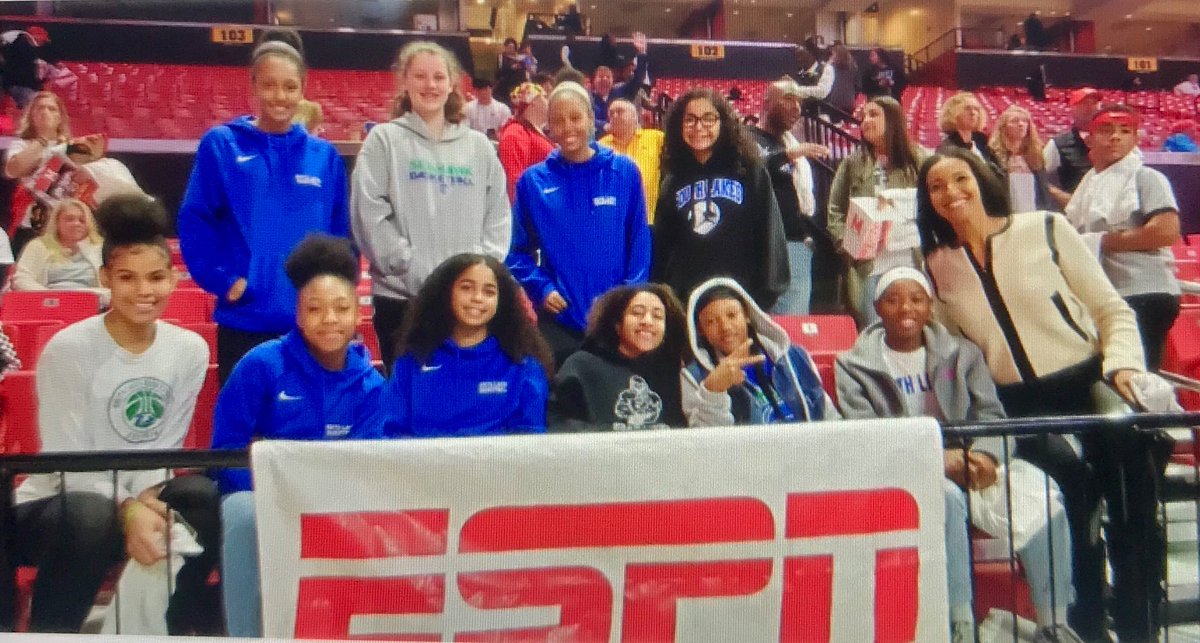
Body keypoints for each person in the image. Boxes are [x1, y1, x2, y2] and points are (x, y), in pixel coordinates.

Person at [916, 147, 1155, 642]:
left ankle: (1139, 628)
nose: (951, 193)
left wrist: (1124, 366)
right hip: (1017, 410)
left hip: (1088, 386)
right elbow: (954, 355)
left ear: (982, 178)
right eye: (936, 187)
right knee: (1069, 519)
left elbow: (1112, 311)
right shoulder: (938, 264)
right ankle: (1085, 627)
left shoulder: (1046, 228)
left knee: (1131, 516)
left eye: (960, 178)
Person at [2, 194, 218, 634]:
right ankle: (50, 631)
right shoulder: (68, 349)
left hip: (141, 491)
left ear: (174, 279)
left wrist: (144, 503)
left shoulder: (189, 349)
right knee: (91, 515)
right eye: (127, 278)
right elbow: (66, 462)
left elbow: (164, 447)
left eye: (156, 277)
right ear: (105, 279)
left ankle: (171, 627)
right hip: (57, 504)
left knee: (201, 498)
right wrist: (128, 511)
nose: (144, 292)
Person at [835, 267, 1080, 643]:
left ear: (930, 306)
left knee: (1042, 494)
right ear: (877, 308)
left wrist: (985, 457)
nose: (906, 308)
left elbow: (992, 417)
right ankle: (960, 622)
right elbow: (867, 433)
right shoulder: (853, 364)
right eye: (893, 299)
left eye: (916, 299)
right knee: (945, 498)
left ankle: (1054, 622)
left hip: (970, 464)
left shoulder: (962, 354)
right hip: (904, 471)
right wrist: (938, 459)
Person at [209, 234, 386, 637]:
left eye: (341, 308)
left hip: (336, 499)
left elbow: (366, 464)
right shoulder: (261, 364)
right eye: (315, 308)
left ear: (357, 315)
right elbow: (225, 451)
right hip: (264, 497)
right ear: (298, 314)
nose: (329, 319)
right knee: (241, 513)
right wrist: (275, 495)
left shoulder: (374, 386)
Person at [178, 40, 349, 384]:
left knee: (308, 433)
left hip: (311, 325)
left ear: (303, 88)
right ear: (253, 85)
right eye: (269, 85)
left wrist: (332, 299)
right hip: (246, 319)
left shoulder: (324, 156)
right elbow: (196, 221)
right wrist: (226, 281)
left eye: (289, 87)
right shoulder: (222, 145)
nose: (280, 96)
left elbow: (340, 235)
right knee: (245, 434)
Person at [352, 41, 510, 370]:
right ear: (405, 81)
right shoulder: (383, 141)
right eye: (420, 76)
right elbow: (370, 213)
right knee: (410, 409)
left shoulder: (479, 146)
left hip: (468, 304)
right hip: (402, 301)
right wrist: (407, 265)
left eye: (439, 77)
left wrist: (476, 275)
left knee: (462, 405)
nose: (430, 85)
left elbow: (497, 215)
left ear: (452, 83)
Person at [507, 81, 651, 367]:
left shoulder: (624, 172)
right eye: (558, 120)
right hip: (561, 322)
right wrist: (541, 288)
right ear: (549, 126)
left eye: (575, 117)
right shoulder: (533, 183)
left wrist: (628, 300)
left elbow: (639, 241)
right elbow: (515, 252)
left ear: (590, 119)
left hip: (617, 322)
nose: (568, 127)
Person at [1066, 104, 1182, 372]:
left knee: (1135, 381)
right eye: (1106, 130)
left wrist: (1098, 241)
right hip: (1110, 295)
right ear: (1090, 138)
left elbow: (1165, 231)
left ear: (1136, 139)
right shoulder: (1090, 183)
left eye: (1125, 130)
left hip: (1145, 292)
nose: (1116, 136)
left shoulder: (1148, 177)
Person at [384, 254, 552, 437]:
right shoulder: (410, 363)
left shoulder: (523, 367)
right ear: (446, 292)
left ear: (501, 300)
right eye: (466, 288)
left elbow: (530, 443)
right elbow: (392, 434)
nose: (477, 298)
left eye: (489, 292)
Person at [653, 87, 789, 311]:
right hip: (687, 301)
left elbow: (769, 231)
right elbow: (663, 245)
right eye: (690, 120)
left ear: (722, 123)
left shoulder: (749, 170)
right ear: (679, 125)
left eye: (709, 119)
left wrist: (764, 296)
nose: (699, 127)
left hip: (739, 299)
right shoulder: (673, 179)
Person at [827, 96, 928, 325]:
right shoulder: (853, 163)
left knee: (910, 328)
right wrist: (847, 243)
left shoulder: (919, 159)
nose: (865, 122)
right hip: (867, 267)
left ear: (893, 119)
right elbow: (835, 210)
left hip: (910, 260)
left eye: (873, 115)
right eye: (862, 117)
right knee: (871, 329)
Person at [682, 277, 837, 426]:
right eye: (711, 322)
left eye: (732, 315)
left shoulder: (793, 356)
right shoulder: (693, 375)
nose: (725, 327)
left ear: (747, 315)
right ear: (701, 331)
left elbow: (827, 414)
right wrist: (714, 391)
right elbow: (706, 444)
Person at [549, 283, 688, 432]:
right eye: (637, 313)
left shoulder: (668, 371)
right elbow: (558, 425)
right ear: (617, 324)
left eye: (658, 316)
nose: (648, 322)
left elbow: (678, 432)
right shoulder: (581, 365)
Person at [748, 77, 830, 315]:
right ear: (766, 102)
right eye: (789, 100)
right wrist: (788, 154)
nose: (796, 108)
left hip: (795, 244)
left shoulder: (787, 143)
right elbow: (752, 168)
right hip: (763, 244)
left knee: (795, 325)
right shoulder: (747, 137)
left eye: (799, 103)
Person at [11, 198, 108, 304]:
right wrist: (52, 298)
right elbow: (21, 279)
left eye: (82, 220)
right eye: (69, 219)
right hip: (49, 303)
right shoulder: (39, 245)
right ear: (57, 222)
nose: (76, 223)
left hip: (90, 302)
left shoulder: (101, 247)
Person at [598, 98, 664, 223]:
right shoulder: (600, 147)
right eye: (611, 113)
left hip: (648, 222)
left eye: (620, 111)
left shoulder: (656, 138)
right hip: (613, 224)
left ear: (635, 117)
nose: (614, 116)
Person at [988, 105, 1055, 212]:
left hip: (1034, 214)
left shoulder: (1036, 156)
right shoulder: (992, 156)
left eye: (1025, 121)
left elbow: (1043, 191)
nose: (1021, 124)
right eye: (1014, 121)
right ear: (1003, 127)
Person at [1043, 87, 1102, 204]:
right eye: (1085, 103)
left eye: (1095, 103)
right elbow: (1039, 176)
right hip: (1075, 213)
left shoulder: (1112, 139)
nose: (1091, 107)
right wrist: (1063, 197)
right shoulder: (1058, 144)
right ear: (1073, 108)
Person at [497, 81, 552, 203]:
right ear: (533, 103)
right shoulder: (515, 133)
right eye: (544, 97)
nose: (548, 102)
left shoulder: (533, 131)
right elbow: (514, 181)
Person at [936, 91, 1004, 177]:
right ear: (953, 113)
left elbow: (999, 172)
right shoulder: (947, 149)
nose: (973, 113)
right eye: (967, 108)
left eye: (976, 109)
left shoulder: (983, 143)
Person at [824, 43, 861, 119]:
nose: (832, 57)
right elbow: (858, 85)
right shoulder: (853, 68)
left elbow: (824, 78)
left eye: (833, 54)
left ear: (838, 56)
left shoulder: (831, 68)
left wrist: (828, 63)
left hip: (835, 101)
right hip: (849, 100)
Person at [494, 38, 527, 109]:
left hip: (517, 85)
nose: (511, 49)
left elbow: (525, 70)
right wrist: (510, 68)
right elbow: (498, 72)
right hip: (505, 86)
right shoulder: (501, 57)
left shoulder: (520, 58)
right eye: (509, 47)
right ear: (505, 47)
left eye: (512, 47)